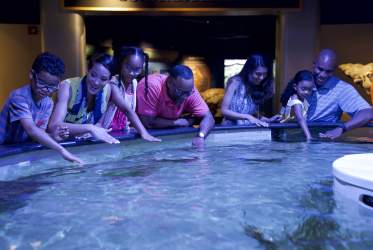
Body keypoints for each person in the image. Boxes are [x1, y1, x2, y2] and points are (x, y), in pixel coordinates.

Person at [48, 53, 160, 143]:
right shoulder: (67, 87)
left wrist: (144, 133)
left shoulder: (108, 89)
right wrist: (89, 128)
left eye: (103, 79)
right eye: (93, 75)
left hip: (79, 146)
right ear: (88, 69)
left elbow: (103, 121)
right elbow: (54, 126)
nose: (96, 82)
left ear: (109, 79)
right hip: (53, 144)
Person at [0, 52, 82, 164]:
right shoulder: (19, 97)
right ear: (31, 74)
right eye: (42, 83)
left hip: (19, 150)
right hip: (3, 149)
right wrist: (61, 150)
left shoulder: (48, 103)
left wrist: (53, 136)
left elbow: (39, 133)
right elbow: (31, 129)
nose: (46, 90)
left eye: (52, 86)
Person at [136, 64, 215, 147]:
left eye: (188, 93)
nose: (185, 97)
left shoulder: (189, 91)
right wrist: (178, 122)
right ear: (169, 82)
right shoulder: (151, 86)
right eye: (180, 92)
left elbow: (209, 117)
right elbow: (147, 122)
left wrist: (200, 136)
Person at [307, 49, 373, 139]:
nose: (323, 75)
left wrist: (342, 128)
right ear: (313, 64)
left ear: (334, 70)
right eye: (320, 69)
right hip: (296, 141)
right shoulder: (301, 81)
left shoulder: (342, 88)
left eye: (328, 71)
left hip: (321, 142)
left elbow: (368, 113)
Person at [221, 54, 280, 127]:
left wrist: (268, 120)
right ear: (248, 70)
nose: (261, 78)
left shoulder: (256, 86)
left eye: (265, 74)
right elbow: (224, 111)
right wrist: (248, 117)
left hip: (248, 129)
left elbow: (252, 113)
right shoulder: (235, 82)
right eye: (258, 74)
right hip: (230, 128)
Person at [100, 46, 147, 131]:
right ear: (121, 63)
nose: (132, 73)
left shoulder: (134, 83)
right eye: (128, 67)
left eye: (137, 69)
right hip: (106, 130)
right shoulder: (113, 83)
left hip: (121, 131)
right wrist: (144, 132)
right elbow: (127, 110)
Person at [280, 70, 314, 141]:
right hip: (288, 136)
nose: (306, 92)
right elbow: (300, 118)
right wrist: (309, 136)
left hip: (294, 134)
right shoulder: (295, 100)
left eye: (309, 89)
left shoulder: (301, 99)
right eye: (304, 89)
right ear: (295, 87)